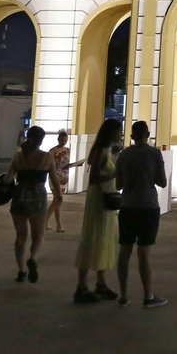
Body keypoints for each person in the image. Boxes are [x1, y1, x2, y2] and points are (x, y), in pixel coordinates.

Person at [114, 119, 167, 307]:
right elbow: (162, 182)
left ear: (131, 137)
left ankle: (123, 295)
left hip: (127, 206)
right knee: (144, 253)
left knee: (124, 251)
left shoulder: (123, 155)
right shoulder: (154, 153)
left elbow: (118, 184)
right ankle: (148, 296)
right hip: (148, 206)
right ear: (148, 135)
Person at [71, 119, 123, 304]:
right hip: (99, 200)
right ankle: (82, 285)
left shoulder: (108, 151)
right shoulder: (101, 152)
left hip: (106, 200)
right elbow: (93, 179)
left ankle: (101, 283)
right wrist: (116, 174)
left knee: (104, 239)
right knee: (93, 237)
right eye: (119, 131)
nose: (120, 134)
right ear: (111, 132)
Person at [6, 126, 51, 283]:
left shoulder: (18, 157)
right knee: (38, 236)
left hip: (19, 200)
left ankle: (21, 271)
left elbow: (8, 179)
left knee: (20, 237)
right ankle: (32, 258)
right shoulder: (47, 157)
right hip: (38, 200)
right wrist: (58, 196)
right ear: (41, 140)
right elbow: (55, 181)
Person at [46, 128, 83, 234]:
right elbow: (50, 165)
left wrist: (74, 165)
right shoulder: (52, 151)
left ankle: (45, 221)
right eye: (62, 140)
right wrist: (57, 158)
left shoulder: (67, 150)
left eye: (65, 141)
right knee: (59, 200)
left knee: (56, 201)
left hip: (63, 177)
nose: (63, 142)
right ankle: (59, 224)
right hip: (55, 177)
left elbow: (65, 165)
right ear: (58, 139)